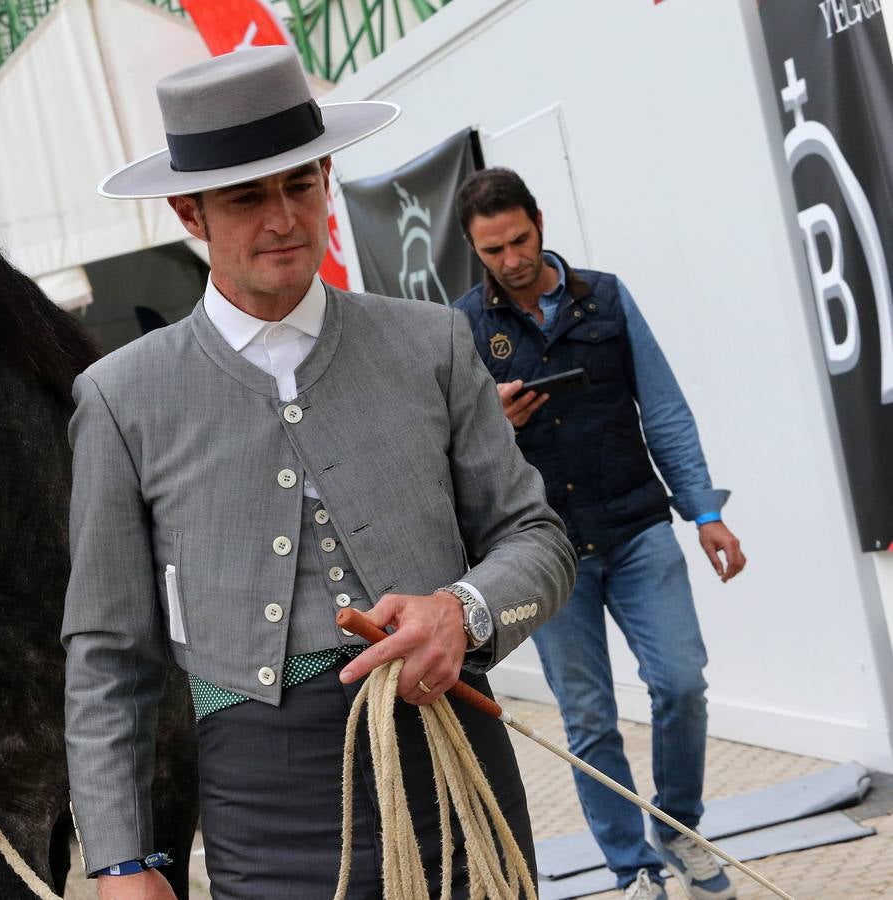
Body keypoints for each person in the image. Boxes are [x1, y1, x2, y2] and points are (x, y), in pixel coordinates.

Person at [63, 47, 577, 900]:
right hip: (262, 801)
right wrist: (121, 859)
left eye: (301, 185)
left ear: (329, 178)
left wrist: (465, 611)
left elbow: (539, 538)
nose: (283, 218)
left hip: (455, 766)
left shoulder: (430, 344)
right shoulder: (122, 399)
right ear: (190, 213)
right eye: (246, 197)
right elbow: (108, 656)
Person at [453, 168, 746, 900]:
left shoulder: (606, 297)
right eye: (494, 250)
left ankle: (676, 826)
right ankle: (633, 868)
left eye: (520, 239)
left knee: (681, 683)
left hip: (638, 526)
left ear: (541, 222)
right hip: (544, 552)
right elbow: (452, 453)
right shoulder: (462, 327)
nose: (513, 259)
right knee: (588, 720)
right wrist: (495, 421)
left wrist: (704, 510)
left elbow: (667, 410)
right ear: (473, 248)